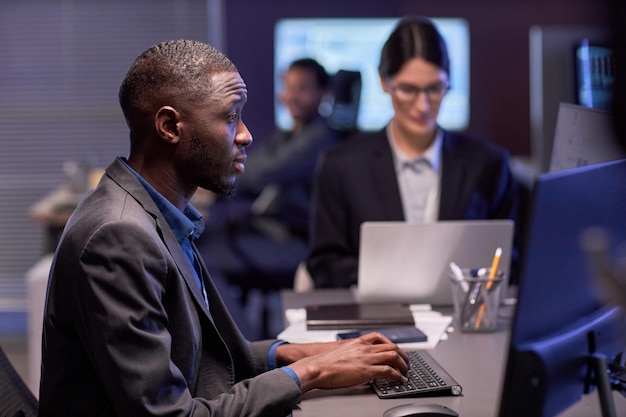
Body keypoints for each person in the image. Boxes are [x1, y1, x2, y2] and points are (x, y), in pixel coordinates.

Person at [37, 40, 409, 417]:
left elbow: (199, 357)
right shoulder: (118, 236)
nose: (245, 134)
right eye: (231, 117)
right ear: (169, 126)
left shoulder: (155, 213)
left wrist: (297, 353)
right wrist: (311, 373)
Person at [306, 16, 519, 289]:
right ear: (384, 82)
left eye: (434, 89)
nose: (422, 106)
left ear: (449, 83)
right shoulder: (341, 166)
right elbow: (324, 264)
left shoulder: (488, 165)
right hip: (373, 320)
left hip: (461, 316)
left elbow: (507, 261)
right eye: (408, 90)